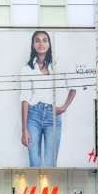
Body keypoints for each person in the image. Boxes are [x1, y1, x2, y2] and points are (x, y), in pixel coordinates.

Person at [19, 31, 76, 167]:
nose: (41, 43)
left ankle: (48, 187)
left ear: (49, 44)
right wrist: (24, 129)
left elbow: (73, 87)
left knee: (51, 163)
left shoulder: (60, 63)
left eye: (45, 40)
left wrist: (63, 108)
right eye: (37, 40)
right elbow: (25, 99)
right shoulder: (27, 69)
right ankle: (36, 188)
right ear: (33, 45)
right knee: (35, 162)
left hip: (53, 115)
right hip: (34, 115)